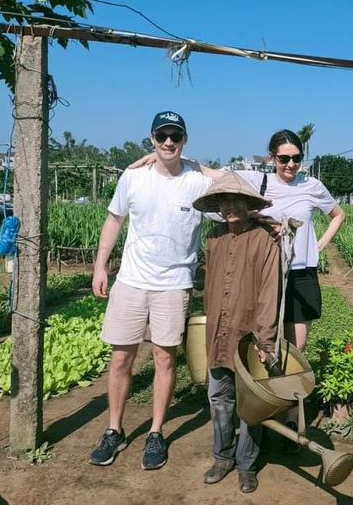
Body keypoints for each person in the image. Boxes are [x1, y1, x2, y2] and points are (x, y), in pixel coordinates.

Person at [130, 128, 345, 451]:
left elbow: (337, 215)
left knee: (290, 356)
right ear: (272, 157)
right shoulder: (256, 182)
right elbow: (215, 174)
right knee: (261, 351)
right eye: (284, 158)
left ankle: (286, 425)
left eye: (297, 158)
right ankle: (258, 419)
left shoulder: (312, 186)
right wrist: (167, 158)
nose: (291, 164)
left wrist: (316, 246)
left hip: (299, 277)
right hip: (263, 272)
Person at [89, 111, 212, 470]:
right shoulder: (133, 177)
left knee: (164, 358)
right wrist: (101, 266)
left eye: (176, 136)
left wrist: (197, 166)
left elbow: (234, 182)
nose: (169, 142)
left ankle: (156, 432)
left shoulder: (197, 182)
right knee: (121, 357)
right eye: (162, 136)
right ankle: (114, 430)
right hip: (130, 281)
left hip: (174, 285)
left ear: (185, 140)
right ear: (152, 139)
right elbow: (114, 220)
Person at [193, 171, 281, 494]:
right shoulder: (213, 239)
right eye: (224, 201)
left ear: (248, 204)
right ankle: (222, 457)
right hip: (219, 331)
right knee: (219, 396)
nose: (230, 207)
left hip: (250, 336)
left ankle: (246, 464)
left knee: (249, 403)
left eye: (236, 201)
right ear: (217, 206)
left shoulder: (264, 240)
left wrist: (265, 337)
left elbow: (270, 293)